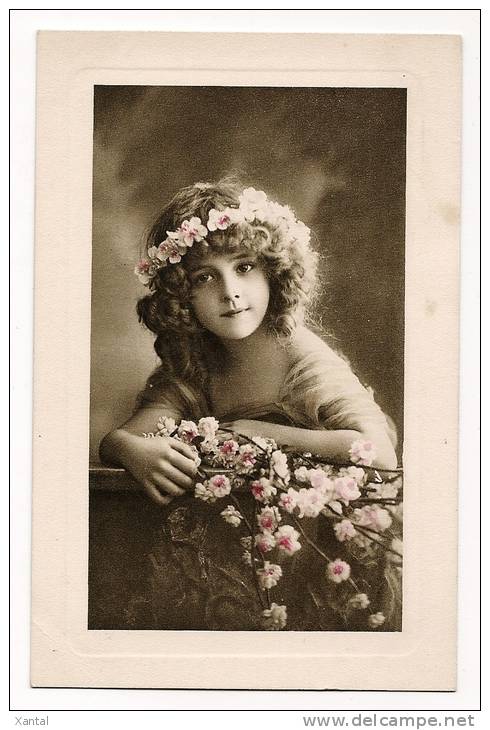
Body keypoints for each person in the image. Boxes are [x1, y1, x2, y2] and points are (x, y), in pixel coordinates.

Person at [98, 179, 400, 631]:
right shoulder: (193, 364)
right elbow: (133, 434)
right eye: (205, 277)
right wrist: (126, 448)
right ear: (181, 294)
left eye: (244, 267)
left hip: (334, 552)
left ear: (273, 271)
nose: (230, 291)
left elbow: (379, 451)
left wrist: (262, 434)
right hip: (239, 561)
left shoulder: (298, 354)